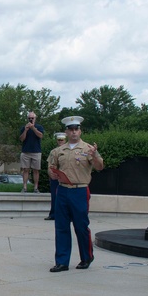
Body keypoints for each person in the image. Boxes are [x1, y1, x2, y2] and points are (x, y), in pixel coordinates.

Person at [48, 116, 104, 272]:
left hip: (80, 190)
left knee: (81, 226)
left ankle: (86, 257)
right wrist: (52, 174)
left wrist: (94, 155)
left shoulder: (88, 149)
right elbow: (51, 168)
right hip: (63, 190)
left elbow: (100, 167)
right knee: (61, 227)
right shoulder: (58, 151)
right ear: (66, 132)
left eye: (76, 129)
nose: (74, 132)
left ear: (80, 131)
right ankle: (62, 261)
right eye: (71, 129)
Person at [18, 111, 44, 193]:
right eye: (29, 118)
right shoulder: (23, 127)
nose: (30, 119)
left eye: (32, 118)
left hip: (36, 151)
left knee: (36, 170)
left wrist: (33, 128)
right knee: (25, 170)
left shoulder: (39, 127)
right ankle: (24, 187)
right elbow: (21, 139)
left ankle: (36, 188)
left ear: (35, 118)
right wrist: (26, 130)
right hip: (26, 151)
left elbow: (40, 136)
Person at [45, 132, 66, 220]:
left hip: (66, 176)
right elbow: (49, 164)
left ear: (65, 140)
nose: (60, 141)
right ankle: (53, 214)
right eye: (59, 140)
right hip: (56, 176)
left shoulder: (69, 150)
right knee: (54, 196)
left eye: (62, 140)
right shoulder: (53, 151)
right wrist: (50, 173)